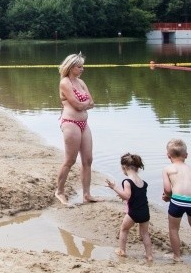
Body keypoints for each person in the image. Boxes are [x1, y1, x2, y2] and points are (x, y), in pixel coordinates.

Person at [54, 53, 97, 206]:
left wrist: (83, 103)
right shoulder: (65, 83)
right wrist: (83, 103)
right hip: (70, 123)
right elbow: (78, 105)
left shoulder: (81, 82)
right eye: (79, 67)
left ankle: (87, 194)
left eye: (82, 66)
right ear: (71, 67)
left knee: (88, 160)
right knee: (70, 160)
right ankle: (59, 191)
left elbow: (92, 102)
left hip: (84, 124)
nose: (82, 69)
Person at [162, 138, 191, 262]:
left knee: (173, 229)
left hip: (177, 201)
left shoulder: (168, 169)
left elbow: (167, 190)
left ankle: (177, 256)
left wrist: (168, 197)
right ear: (186, 155)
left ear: (168, 155)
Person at [106, 153, 153, 261]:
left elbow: (127, 196)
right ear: (137, 168)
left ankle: (122, 250)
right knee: (145, 234)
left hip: (133, 212)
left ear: (124, 167)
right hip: (145, 212)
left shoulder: (127, 181)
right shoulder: (143, 182)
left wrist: (114, 187)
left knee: (124, 229)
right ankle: (149, 255)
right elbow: (137, 195)